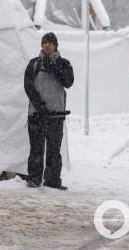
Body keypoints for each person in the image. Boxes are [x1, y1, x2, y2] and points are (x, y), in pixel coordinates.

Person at [24, 32, 74, 190]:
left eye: (50, 43)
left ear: (55, 45)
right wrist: (40, 106)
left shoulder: (64, 63)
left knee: (54, 150)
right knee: (36, 149)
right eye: (44, 42)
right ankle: (34, 179)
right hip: (37, 115)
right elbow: (28, 87)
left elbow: (68, 82)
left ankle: (52, 181)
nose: (47, 45)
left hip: (56, 116)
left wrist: (55, 67)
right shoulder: (33, 64)